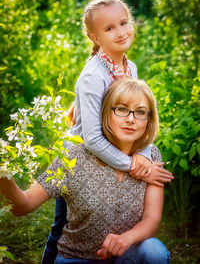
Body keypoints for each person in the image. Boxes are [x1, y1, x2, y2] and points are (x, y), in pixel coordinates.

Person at [42, 0, 174, 264]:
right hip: (80, 161)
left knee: (110, 221)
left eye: (123, 23)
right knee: (64, 230)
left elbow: (135, 114)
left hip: (110, 155)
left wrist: (144, 156)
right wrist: (132, 165)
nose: (120, 32)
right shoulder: (93, 75)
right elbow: (91, 139)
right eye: (109, 28)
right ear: (94, 36)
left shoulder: (130, 66)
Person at [0, 77, 171, 263]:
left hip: (126, 256)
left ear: (149, 119)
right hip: (77, 257)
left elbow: (152, 218)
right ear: (106, 113)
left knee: (154, 252)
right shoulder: (74, 155)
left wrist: (126, 238)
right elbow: (22, 206)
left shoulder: (150, 157)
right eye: (121, 109)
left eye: (140, 112)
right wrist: (3, 175)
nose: (131, 119)